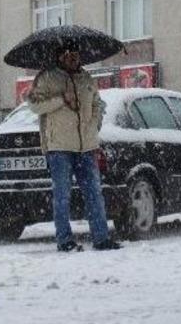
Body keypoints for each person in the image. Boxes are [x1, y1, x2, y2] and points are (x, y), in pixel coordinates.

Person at [28, 44, 122, 252]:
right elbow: (34, 105)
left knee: (94, 193)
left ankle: (101, 238)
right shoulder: (47, 78)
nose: (73, 58)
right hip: (59, 147)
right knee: (62, 196)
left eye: (76, 54)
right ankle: (65, 241)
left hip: (87, 146)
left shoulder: (86, 78)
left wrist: (95, 124)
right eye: (68, 55)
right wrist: (61, 99)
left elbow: (98, 103)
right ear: (60, 57)